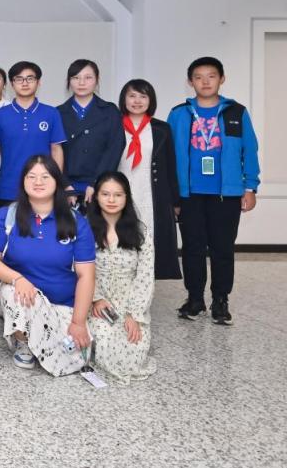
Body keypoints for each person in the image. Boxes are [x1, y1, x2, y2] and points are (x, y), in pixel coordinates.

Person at [0, 155, 95, 376]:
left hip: (63, 303)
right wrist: (18, 279)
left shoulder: (76, 222)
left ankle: (39, 332)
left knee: (75, 356)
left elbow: (86, 275)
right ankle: (23, 340)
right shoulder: (7, 216)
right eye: (31, 176)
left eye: (45, 176)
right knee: (14, 293)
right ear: (23, 181)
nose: (38, 182)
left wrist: (78, 322)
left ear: (57, 181)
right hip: (23, 295)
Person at [167, 56, 260, 325]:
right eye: (198, 77)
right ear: (190, 82)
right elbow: (168, 155)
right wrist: (173, 195)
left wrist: (250, 186)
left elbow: (250, 150)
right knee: (192, 247)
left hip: (226, 194)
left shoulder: (236, 112)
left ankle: (221, 300)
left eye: (211, 76)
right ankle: (195, 299)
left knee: (222, 248)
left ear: (222, 79)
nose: (205, 82)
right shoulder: (179, 114)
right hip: (189, 194)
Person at [86, 172, 157, 385]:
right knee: (106, 342)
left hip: (131, 304)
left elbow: (145, 277)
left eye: (118, 195)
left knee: (134, 348)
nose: (111, 200)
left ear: (127, 198)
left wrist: (133, 314)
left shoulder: (141, 232)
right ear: (96, 197)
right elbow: (78, 270)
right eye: (105, 194)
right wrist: (96, 298)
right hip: (98, 303)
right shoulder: (85, 230)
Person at [117, 79, 181, 280]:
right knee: (121, 239)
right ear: (124, 99)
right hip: (121, 191)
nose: (137, 101)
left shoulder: (162, 128)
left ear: (150, 100)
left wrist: (176, 200)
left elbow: (171, 165)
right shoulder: (113, 125)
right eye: (132, 96)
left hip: (152, 193)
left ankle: (145, 285)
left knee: (150, 240)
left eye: (143, 96)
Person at [0, 61, 66, 208]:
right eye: (19, 79)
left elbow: (56, 149)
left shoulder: (51, 113)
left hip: (43, 187)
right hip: (8, 188)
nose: (24, 83)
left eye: (30, 78)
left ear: (38, 82)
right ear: (12, 84)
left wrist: (57, 182)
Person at [58, 59, 123, 205]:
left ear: (97, 80)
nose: (81, 83)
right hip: (67, 186)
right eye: (76, 78)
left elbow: (114, 149)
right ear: (69, 81)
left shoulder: (110, 111)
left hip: (101, 185)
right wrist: (65, 185)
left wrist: (97, 183)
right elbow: (54, 152)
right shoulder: (58, 113)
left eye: (88, 77)